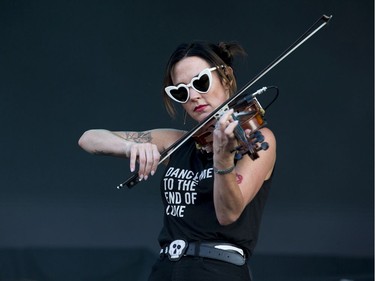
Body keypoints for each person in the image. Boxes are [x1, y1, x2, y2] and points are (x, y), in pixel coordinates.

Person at [78, 41, 276, 281]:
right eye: (181, 91)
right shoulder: (177, 142)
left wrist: (223, 157)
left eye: (200, 82)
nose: (193, 96)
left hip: (217, 271)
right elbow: (89, 139)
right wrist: (132, 146)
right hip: (166, 268)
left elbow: (228, 214)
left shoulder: (257, 138)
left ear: (226, 77)